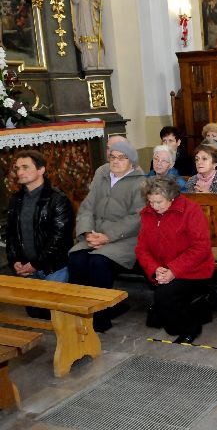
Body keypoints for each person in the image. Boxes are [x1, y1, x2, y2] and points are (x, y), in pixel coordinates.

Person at [68, 140, 146, 332]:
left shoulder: (141, 182)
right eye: (113, 156)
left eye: (122, 157)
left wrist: (107, 237)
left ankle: (101, 317)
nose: (116, 161)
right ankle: (79, 313)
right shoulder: (101, 176)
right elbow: (87, 207)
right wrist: (87, 232)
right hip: (94, 235)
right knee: (76, 258)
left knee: (98, 262)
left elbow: (137, 217)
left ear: (132, 162)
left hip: (124, 239)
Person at [135, 175, 215, 344]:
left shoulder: (190, 211)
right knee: (166, 316)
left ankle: (192, 328)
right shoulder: (147, 214)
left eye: (159, 202)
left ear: (172, 197)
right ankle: (185, 310)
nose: (154, 207)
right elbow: (142, 249)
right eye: (151, 202)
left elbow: (201, 247)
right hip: (162, 270)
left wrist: (174, 270)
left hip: (194, 270)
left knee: (165, 296)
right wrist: (155, 269)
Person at [7, 150, 74, 319]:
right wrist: (15, 260)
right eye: (17, 168)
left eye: (25, 167)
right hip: (26, 267)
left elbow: (59, 239)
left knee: (58, 315)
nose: (19, 172)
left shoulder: (58, 199)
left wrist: (36, 263)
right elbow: (11, 234)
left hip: (53, 268)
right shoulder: (16, 199)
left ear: (41, 170)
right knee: (35, 314)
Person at [71, 0, 104, 69]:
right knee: (87, 37)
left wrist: (97, 3)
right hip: (84, 17)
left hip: (94, 19)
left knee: (96, 37)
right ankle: (89, 63)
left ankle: (99, 62)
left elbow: (99, 5)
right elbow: (75, 0)